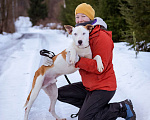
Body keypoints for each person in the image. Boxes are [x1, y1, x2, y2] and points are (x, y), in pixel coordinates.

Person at [43, 3, 136, 120]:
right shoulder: (81, 35)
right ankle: (93, 110)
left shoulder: (101, 37)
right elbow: (72, 53)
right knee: (58, 94)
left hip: (103, 86)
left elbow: (99, 67)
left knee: (85, 118)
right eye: (77, 17)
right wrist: (55, 59)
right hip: (89, 86)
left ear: (91, 18)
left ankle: (122, 107)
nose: (80, 19)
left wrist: (78, 61)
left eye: (83, 16)